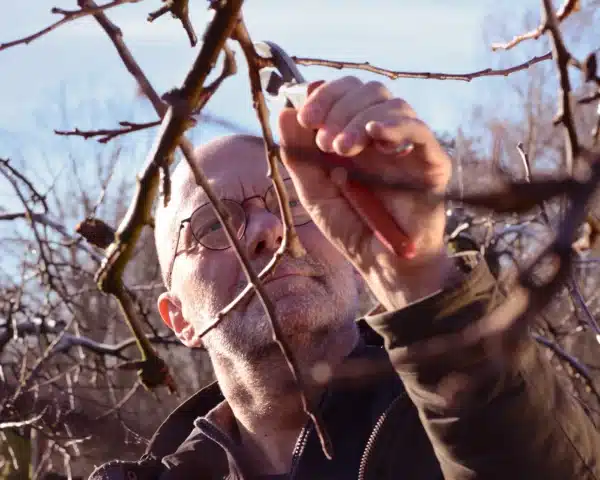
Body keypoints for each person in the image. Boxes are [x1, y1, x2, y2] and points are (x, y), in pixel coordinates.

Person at [90, 77, 600, 480]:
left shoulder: (453, 423)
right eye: (214, 225)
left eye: (293, 206)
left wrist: (414, 271)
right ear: (178, 318)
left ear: (351, 263)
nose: (268, 230)